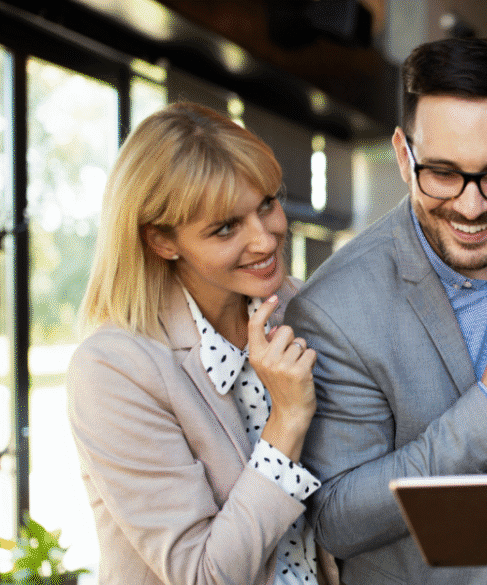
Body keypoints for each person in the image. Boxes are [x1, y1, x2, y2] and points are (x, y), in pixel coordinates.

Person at [285, 37, 487, 584]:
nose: (471, 206)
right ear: (401, 153)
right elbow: (337, 519)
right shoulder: (334, 310)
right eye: (441, 173)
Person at [67, 102, 334, 585]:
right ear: (162, 241)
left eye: (267, 204)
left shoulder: (300, 306)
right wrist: (287, 420)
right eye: (226, 227)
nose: (266, 239)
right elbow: (202, 575)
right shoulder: (113, 369)